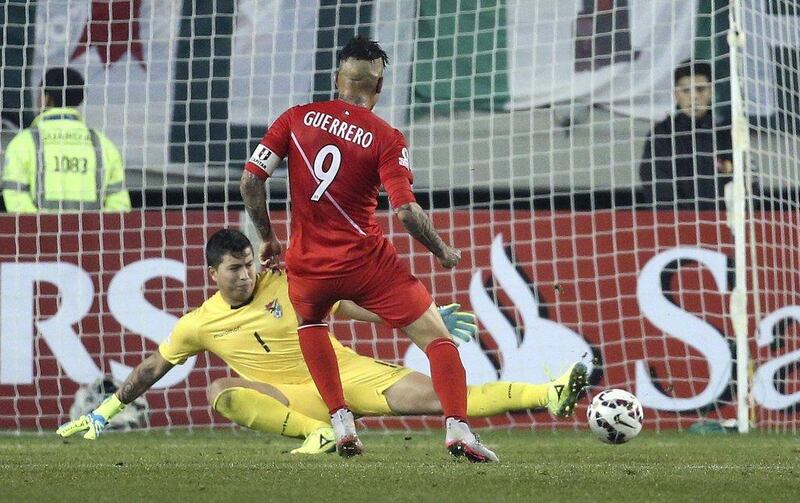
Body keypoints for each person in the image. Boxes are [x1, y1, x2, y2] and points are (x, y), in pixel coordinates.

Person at [56, 229, 588, 455]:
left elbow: (344, 302)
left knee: (448, 399)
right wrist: (105, 411)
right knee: (221, 390)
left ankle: (551, 392)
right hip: (296, 397)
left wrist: (412, 314)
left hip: (348, 373)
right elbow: (153, 367)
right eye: (234, 269)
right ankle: (323, 435)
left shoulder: (285, 278)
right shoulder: (200, 323)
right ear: (212, 272)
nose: (245, 276)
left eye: (248, 265)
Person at [2, 67, 131, 213]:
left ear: (45, 98)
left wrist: (44, 229)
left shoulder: (24, 142)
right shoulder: (103, 144)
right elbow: (120, 206)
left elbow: (15, 198)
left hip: (40, 234)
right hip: (93, 235)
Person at [639, 60, 732, 209]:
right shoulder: (662, 135)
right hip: (677, 226)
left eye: (700, 89)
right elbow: (657, 187)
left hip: (724, 224)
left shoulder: (727, 134)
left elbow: (747, 184)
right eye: (686, 90)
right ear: (675, 94)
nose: (694, 97)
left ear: (711, 91)